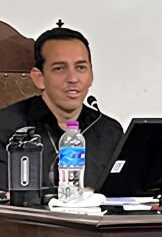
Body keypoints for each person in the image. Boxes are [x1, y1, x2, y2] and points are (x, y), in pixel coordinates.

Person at [0, 27, 123, 196]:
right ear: (39, 78)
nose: (73, 78)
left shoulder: (109, 131)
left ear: (91, 74)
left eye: (80, 68)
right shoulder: (6, 126)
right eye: (59, 68)